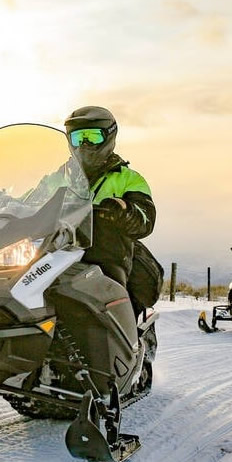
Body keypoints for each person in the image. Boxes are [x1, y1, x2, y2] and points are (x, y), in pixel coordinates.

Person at [63, 106, 160, 318]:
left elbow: (145, 217)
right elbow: (31, 201)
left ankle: (123, 340)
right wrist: (1, 201)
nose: (85, 144)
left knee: (109, 284)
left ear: (109, 137)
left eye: (92, 136)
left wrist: (126, 210)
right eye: (79, 137)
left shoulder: (128, 178)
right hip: (57, 253)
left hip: (106, 256)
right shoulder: (57, 177)